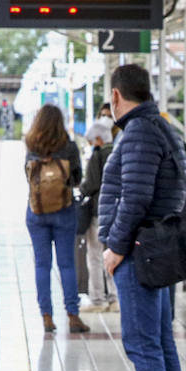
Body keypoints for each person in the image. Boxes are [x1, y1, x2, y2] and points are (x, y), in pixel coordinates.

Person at [99, 64, 186, 371]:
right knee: (161, 344)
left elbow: (134, 196)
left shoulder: (137, 133)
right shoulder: (160, 127)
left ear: (116, 96)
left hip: (139, 251)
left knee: (144, 345)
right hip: (157, 247)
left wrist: (116, 247)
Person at [23, 104, 89, 335]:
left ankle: (47, 316)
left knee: (42, 265)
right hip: (64, 210)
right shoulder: (69, 147)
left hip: (37, 212)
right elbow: (78, 177)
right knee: (66, 264)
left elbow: (28, 175)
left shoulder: (31, 145)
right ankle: (73, 315)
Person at [79, 116, 116, 312]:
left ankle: (97, 299)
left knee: (95, 255)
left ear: (99, 140)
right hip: (116, 211)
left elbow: (92, 183)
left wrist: (80, 191)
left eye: (92, 141)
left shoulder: (98, 155)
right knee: (114, 252)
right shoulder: (118, 152)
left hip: (98, 211)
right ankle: (115, 297)